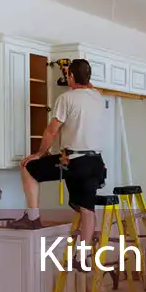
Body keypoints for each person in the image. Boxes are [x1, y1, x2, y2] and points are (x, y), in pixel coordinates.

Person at [10, 59, 106, 250]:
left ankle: (33, 218)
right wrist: (74, 73)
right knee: (87, 210)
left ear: (70, 76)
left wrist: (40, 153)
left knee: (28, 167)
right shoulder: (97, 96)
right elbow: (87, 85)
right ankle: (82, 257)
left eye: (68, 75)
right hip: (96, 163)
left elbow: (51, 131)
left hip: (71, 161)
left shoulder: (66, 98)